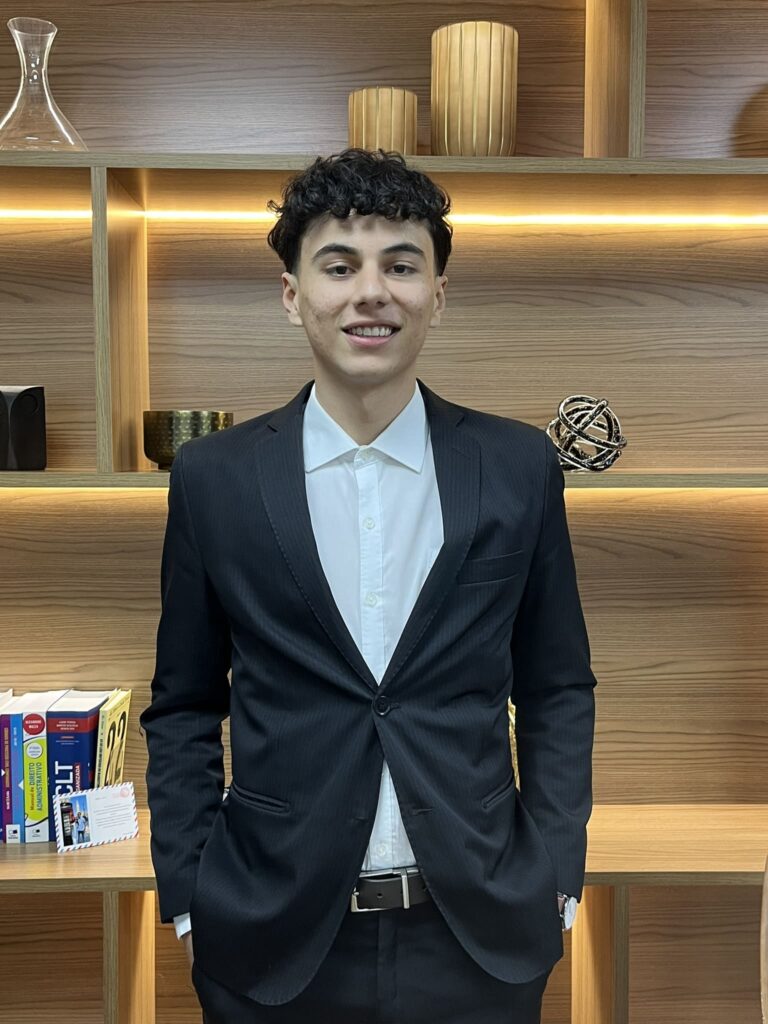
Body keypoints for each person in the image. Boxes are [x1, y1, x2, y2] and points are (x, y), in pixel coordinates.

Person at [139, 147, 597, 1024]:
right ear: (293, 294)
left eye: (402, 266)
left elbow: (557, 686)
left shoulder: (517, 467)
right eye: (340, 266)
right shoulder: (213, 478)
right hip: (270, 938)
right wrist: (192, 897)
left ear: (438, 295)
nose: (372, 292)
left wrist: (556, 875)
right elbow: (184, 704)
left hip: (478, 936)